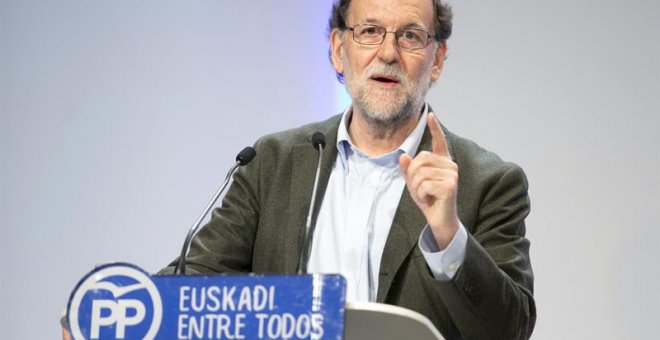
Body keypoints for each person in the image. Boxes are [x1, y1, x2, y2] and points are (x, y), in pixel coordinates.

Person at [63, 0, 535, 339]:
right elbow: (197, 278)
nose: (388, 53)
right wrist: (109, 319)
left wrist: (449, 236)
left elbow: (508, 330)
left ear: (436, 60)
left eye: (411, 35)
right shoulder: (273, 162)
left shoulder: (486, 182)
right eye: (369, 30)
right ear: (337, 48)